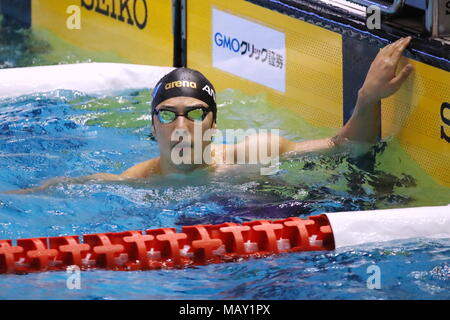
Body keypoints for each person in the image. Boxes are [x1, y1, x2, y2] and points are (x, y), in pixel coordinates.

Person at [5, 37, 414, 194]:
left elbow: (348, 145)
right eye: (167, 116)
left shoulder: (255, 154)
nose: (181, 127)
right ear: (152, 127)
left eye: (195, 114)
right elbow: (49, 190)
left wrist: (367, 97)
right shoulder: (131, 183)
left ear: (214, 123)